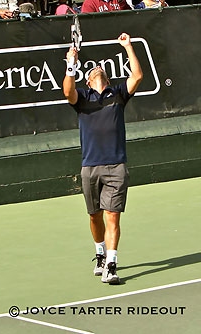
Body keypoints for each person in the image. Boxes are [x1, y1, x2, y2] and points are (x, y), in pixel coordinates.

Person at [63, 33, 143, 284]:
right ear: (88, 81)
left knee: (112, 216)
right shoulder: (82, 98)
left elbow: (137, 76)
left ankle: (111, 264)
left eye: (101, 69)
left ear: (107, 79)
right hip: (90, 167)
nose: (97, 68)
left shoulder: (117, 94)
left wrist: (128, 46)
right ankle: (100, 253)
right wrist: (70, 64)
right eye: (93, 70)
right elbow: (67, 91)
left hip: (116, 166)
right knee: (94, 216)